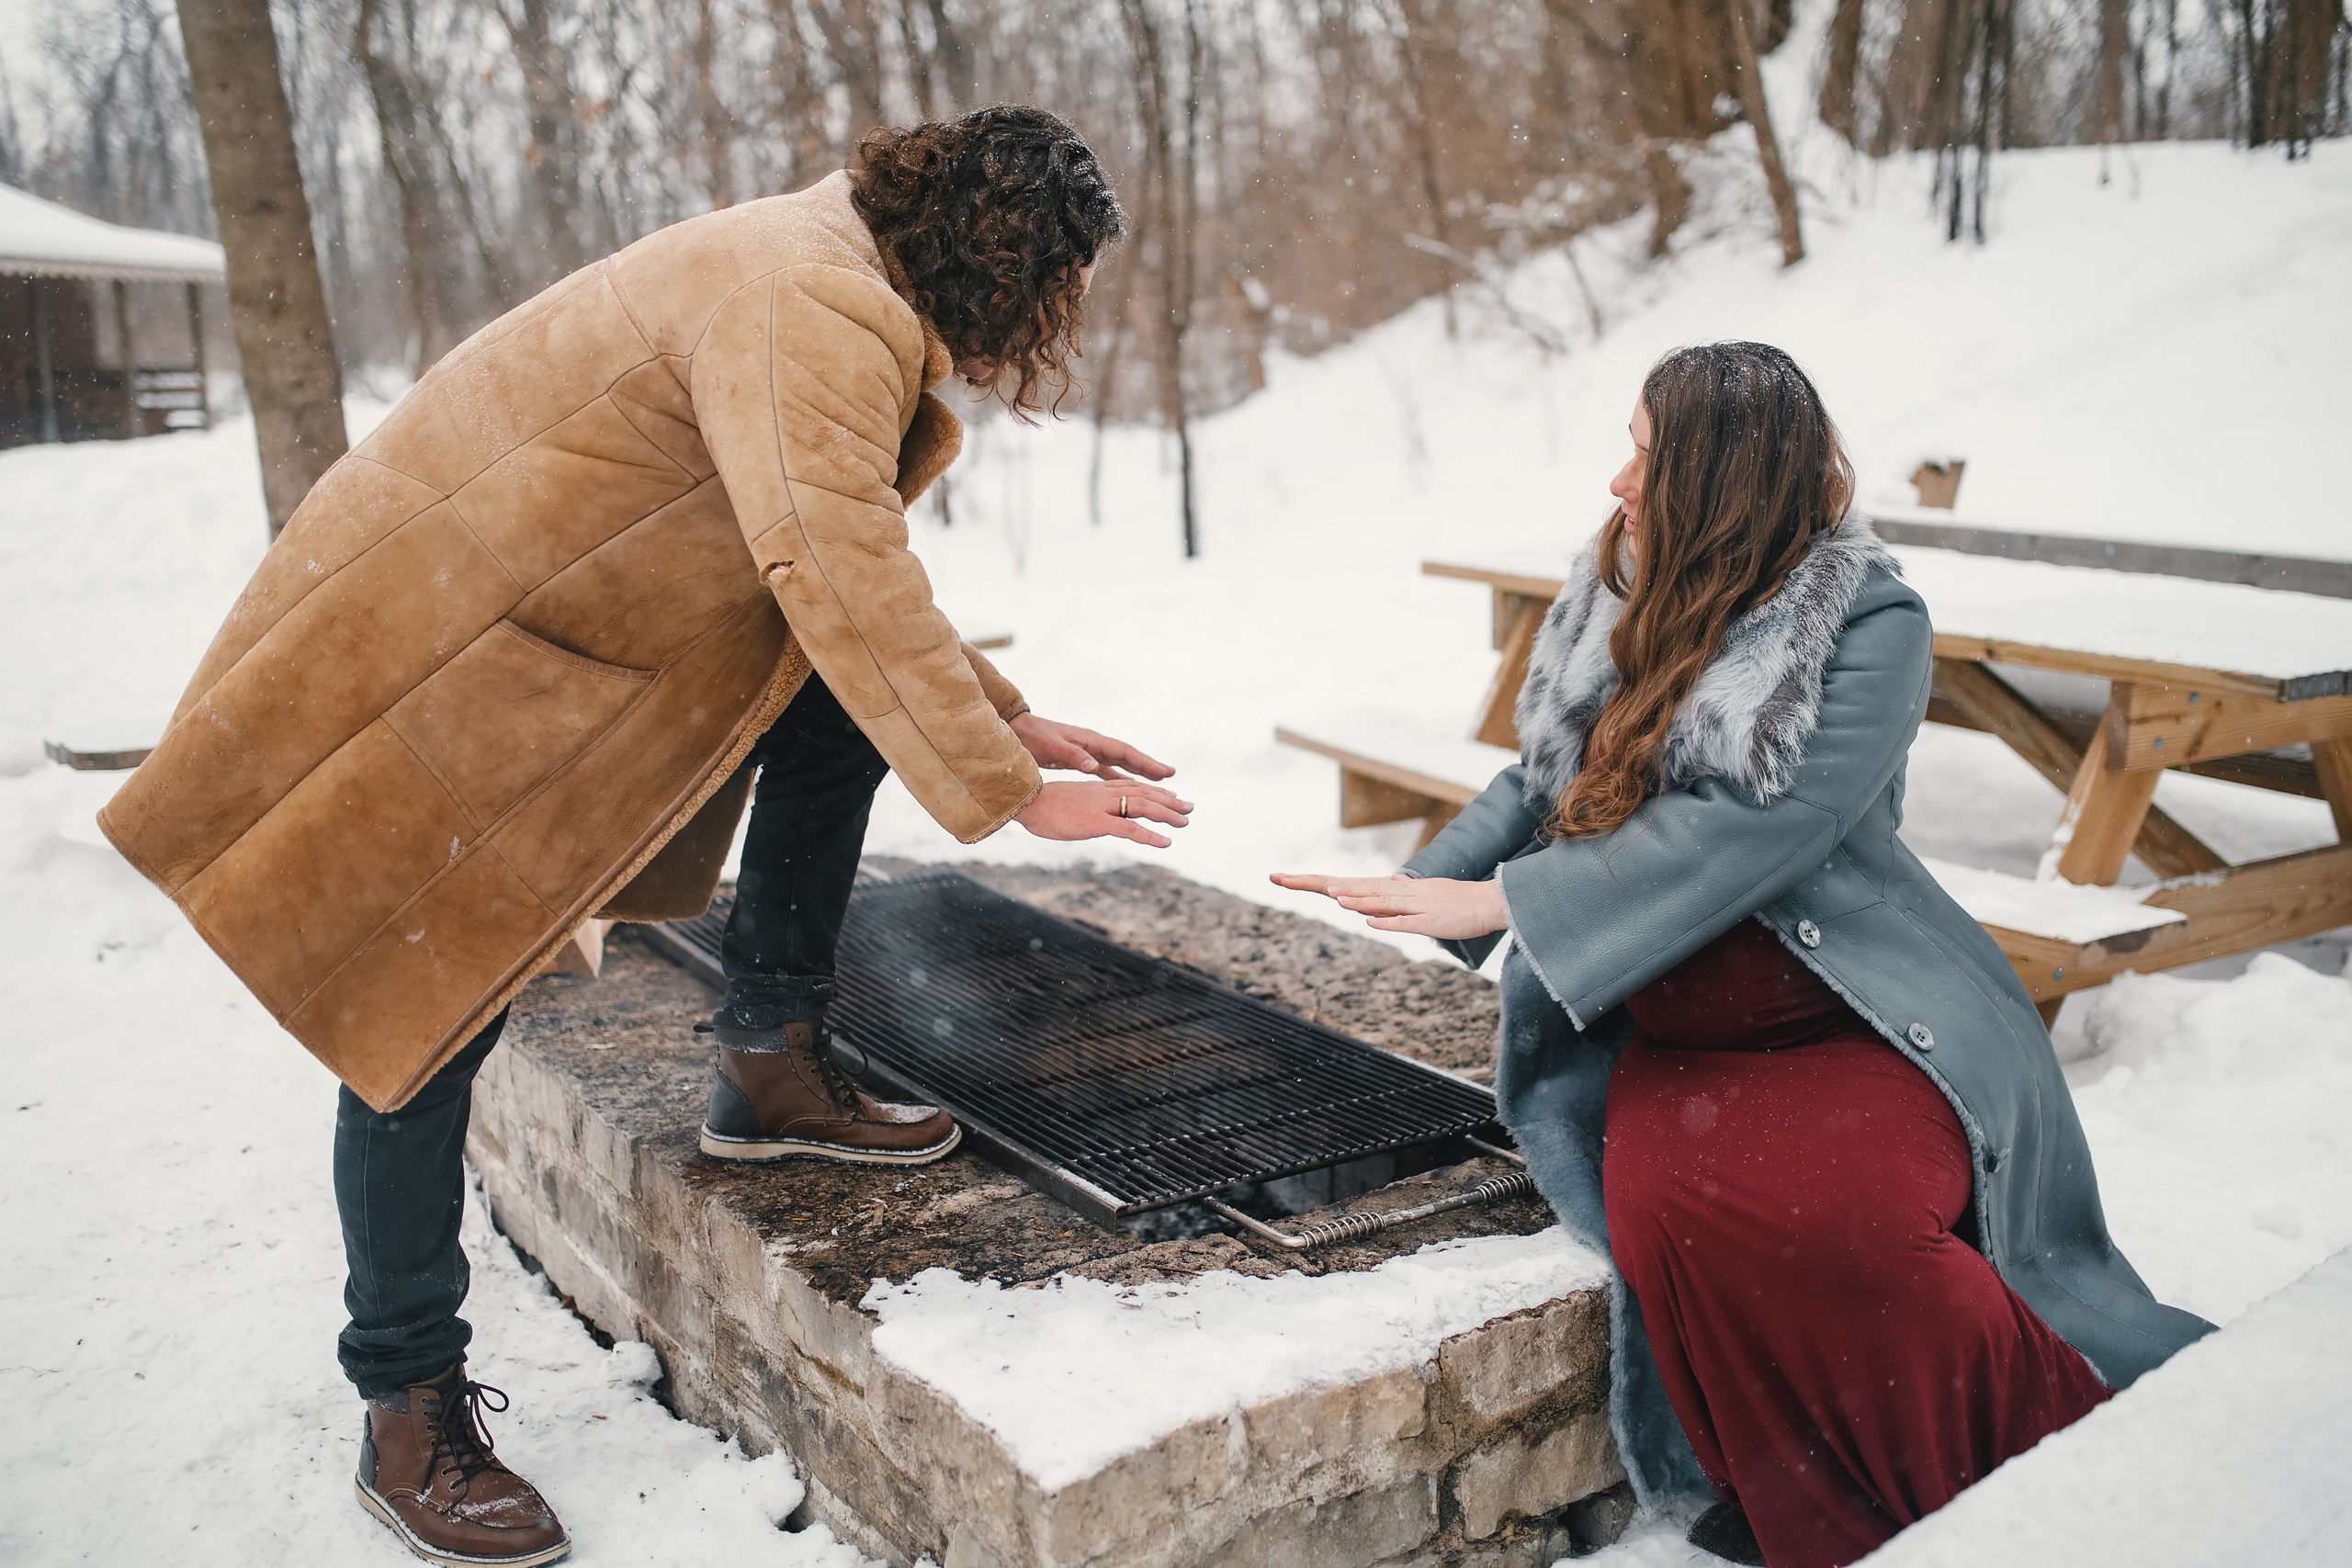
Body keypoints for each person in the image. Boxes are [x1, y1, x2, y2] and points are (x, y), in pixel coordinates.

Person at [100, 106, 1186, 1568]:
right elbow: (834, 558)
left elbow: (834, 550)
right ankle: (406, 1404)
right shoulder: (812, 299)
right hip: (453, 652)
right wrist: (1009, 785)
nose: (1062, 320)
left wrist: (1006, 718)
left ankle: (769, 1060)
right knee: (415, 1016)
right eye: (1064, 287)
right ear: (1006, 263)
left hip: (519, 620)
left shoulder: (826, 266)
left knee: (833, 709)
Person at [1276, 342, 2211, 1568]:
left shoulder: (1865, 621)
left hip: (1847, 1024)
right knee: (1674, 1209)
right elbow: (1541, 779)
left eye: (1648, 458)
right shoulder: (1617, 580)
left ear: (1722, 477)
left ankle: (2036, 1474)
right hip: (1680, 1050)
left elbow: (1753, 828)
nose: (1618, 482)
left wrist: (1503, 901)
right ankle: (1815, 1507)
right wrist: (1428, 881)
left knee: (1851, 1233)